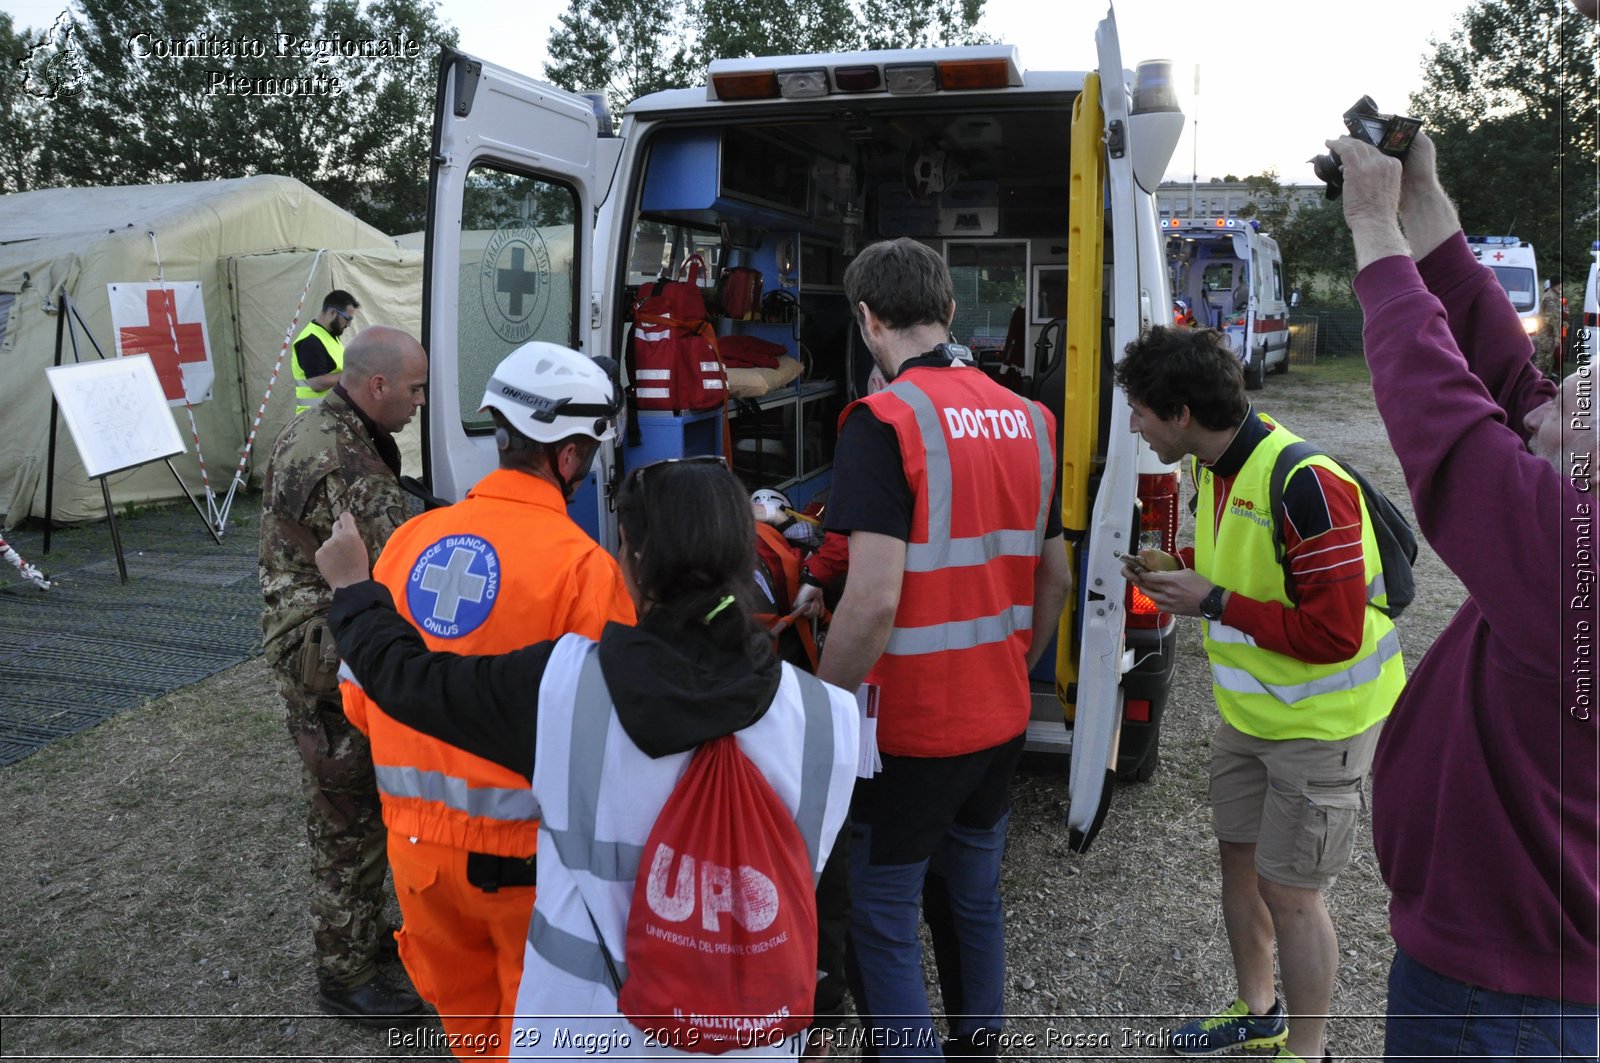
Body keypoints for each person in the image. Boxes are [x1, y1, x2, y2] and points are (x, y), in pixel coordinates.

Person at [315, 458, 860, 1059]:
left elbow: (412, 681)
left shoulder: (562, 690)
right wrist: (823, 1020)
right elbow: (827, 899)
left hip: (582, 1031)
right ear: (746, 555)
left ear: (629, 558)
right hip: (750, 1040)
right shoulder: (827, 717)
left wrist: (355, 593)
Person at [1329, 128, 1598, 1059]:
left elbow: (1449, 426)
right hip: (1526, 979)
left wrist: (1372, 229)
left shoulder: (1576, 563)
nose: (1556, 397)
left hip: (1507, 1006)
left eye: (1582, 401)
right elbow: (1511, 380)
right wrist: (1424, 204)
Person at [1115, 326, 1403, 1063]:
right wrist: (1179, 568)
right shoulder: (1215, 464)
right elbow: (1245, 571)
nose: (1133, 424)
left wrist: (1209, 600)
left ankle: (1308, 1052)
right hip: (1251, 716)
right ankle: (1260, 1012)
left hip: (1323, 722)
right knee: (1238, 862)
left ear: (1180, 412)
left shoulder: (1304, 480)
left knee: (1292, 892)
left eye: (1141, 411)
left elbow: (1336, 633)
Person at [339, 342, 635, 1055]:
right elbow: (608, 739)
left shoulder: (407, 542)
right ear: (568, 459)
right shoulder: (584, 571)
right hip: (526, 871)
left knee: (472, 1040)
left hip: (416, 861)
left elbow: (360, 698)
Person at [817, 237, 1071, 1058]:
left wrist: (816, 707)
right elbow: (1056, 577)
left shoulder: (882, 421)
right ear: (951, 310)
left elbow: (875, 595)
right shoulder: (1032, 419)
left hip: (910, 729)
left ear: (867, 320)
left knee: (882, 919)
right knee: (971, 897)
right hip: (999, 715)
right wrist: (1014, 664)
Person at [259, 324, 428, 1022]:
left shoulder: (324, 426)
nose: (422, 402)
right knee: (348, 813)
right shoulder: (346, 463)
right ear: (378, 385)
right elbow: (396, 569)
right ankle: (345, 977)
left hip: (310, 633)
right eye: (415, 389)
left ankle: (361, 941)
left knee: (356, 805)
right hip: (327, 649)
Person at [294, 290, 360, 413]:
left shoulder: (329, 336)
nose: (349, 324)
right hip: (314, 419)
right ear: (333, 313)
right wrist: (352, 374)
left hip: (327, 415)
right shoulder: (311, 341)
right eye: (347, 319)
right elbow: (316, 383)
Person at [1533, 272, 1567, 378]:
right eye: (1562, 284)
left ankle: (1540, 381)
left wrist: (1562, 323)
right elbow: (1549, 319)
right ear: (1558, 284)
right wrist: (1557, 336)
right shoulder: (1551, 297)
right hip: (1547, 335)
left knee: (1544, 361)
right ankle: (1538, 382)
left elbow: (1553, 316)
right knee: (1543, 361)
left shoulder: (1553, 296)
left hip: (1548, 334)